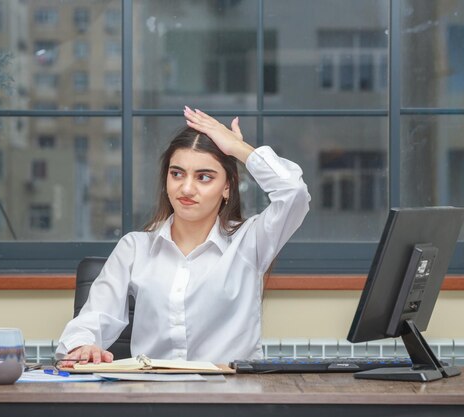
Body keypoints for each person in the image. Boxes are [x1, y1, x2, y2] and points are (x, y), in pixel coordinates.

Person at [56, 107, 310, 365]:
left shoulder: (250, 241)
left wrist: (238, 148)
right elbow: (94, 317)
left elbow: (294, 192)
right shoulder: (135, 247)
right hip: (153, 394)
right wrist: (83, 346)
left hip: (232, 395)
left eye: (204, 177)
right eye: (177, 174)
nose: (186, 188)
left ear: (227, 187)